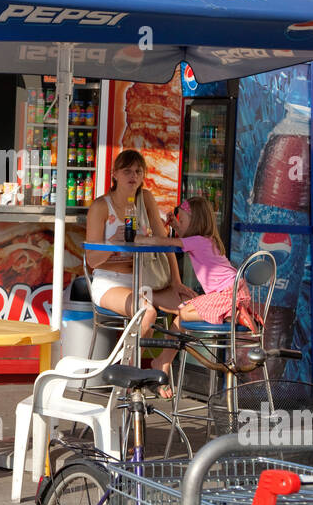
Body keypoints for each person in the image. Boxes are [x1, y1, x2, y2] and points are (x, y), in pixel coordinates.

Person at [134, 196, 252, 394]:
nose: (180, 222)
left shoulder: (197, 241)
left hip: (227, 296)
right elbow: (181, 237)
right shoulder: (206, 240)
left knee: (185, 313)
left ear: (195, 221)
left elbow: (161, 241)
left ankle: (233, 314)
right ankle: (162, 362)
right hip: (234, 292)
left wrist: (140, 238)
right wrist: (175, 225)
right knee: (181, 316)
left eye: (183, 219)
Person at [84, 150, 193, 338]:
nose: (133, 176)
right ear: (115, 174)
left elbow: (164, 243)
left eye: (138, 171)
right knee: (147, 313)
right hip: (110, 281)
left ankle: (163, 363)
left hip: (145, 280)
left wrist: (176, 282)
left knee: (194, 310)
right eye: (127, 171)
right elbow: (92, 261)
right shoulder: (100, 207)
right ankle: (126, 367)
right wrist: (113, 242)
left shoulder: (145, 199)